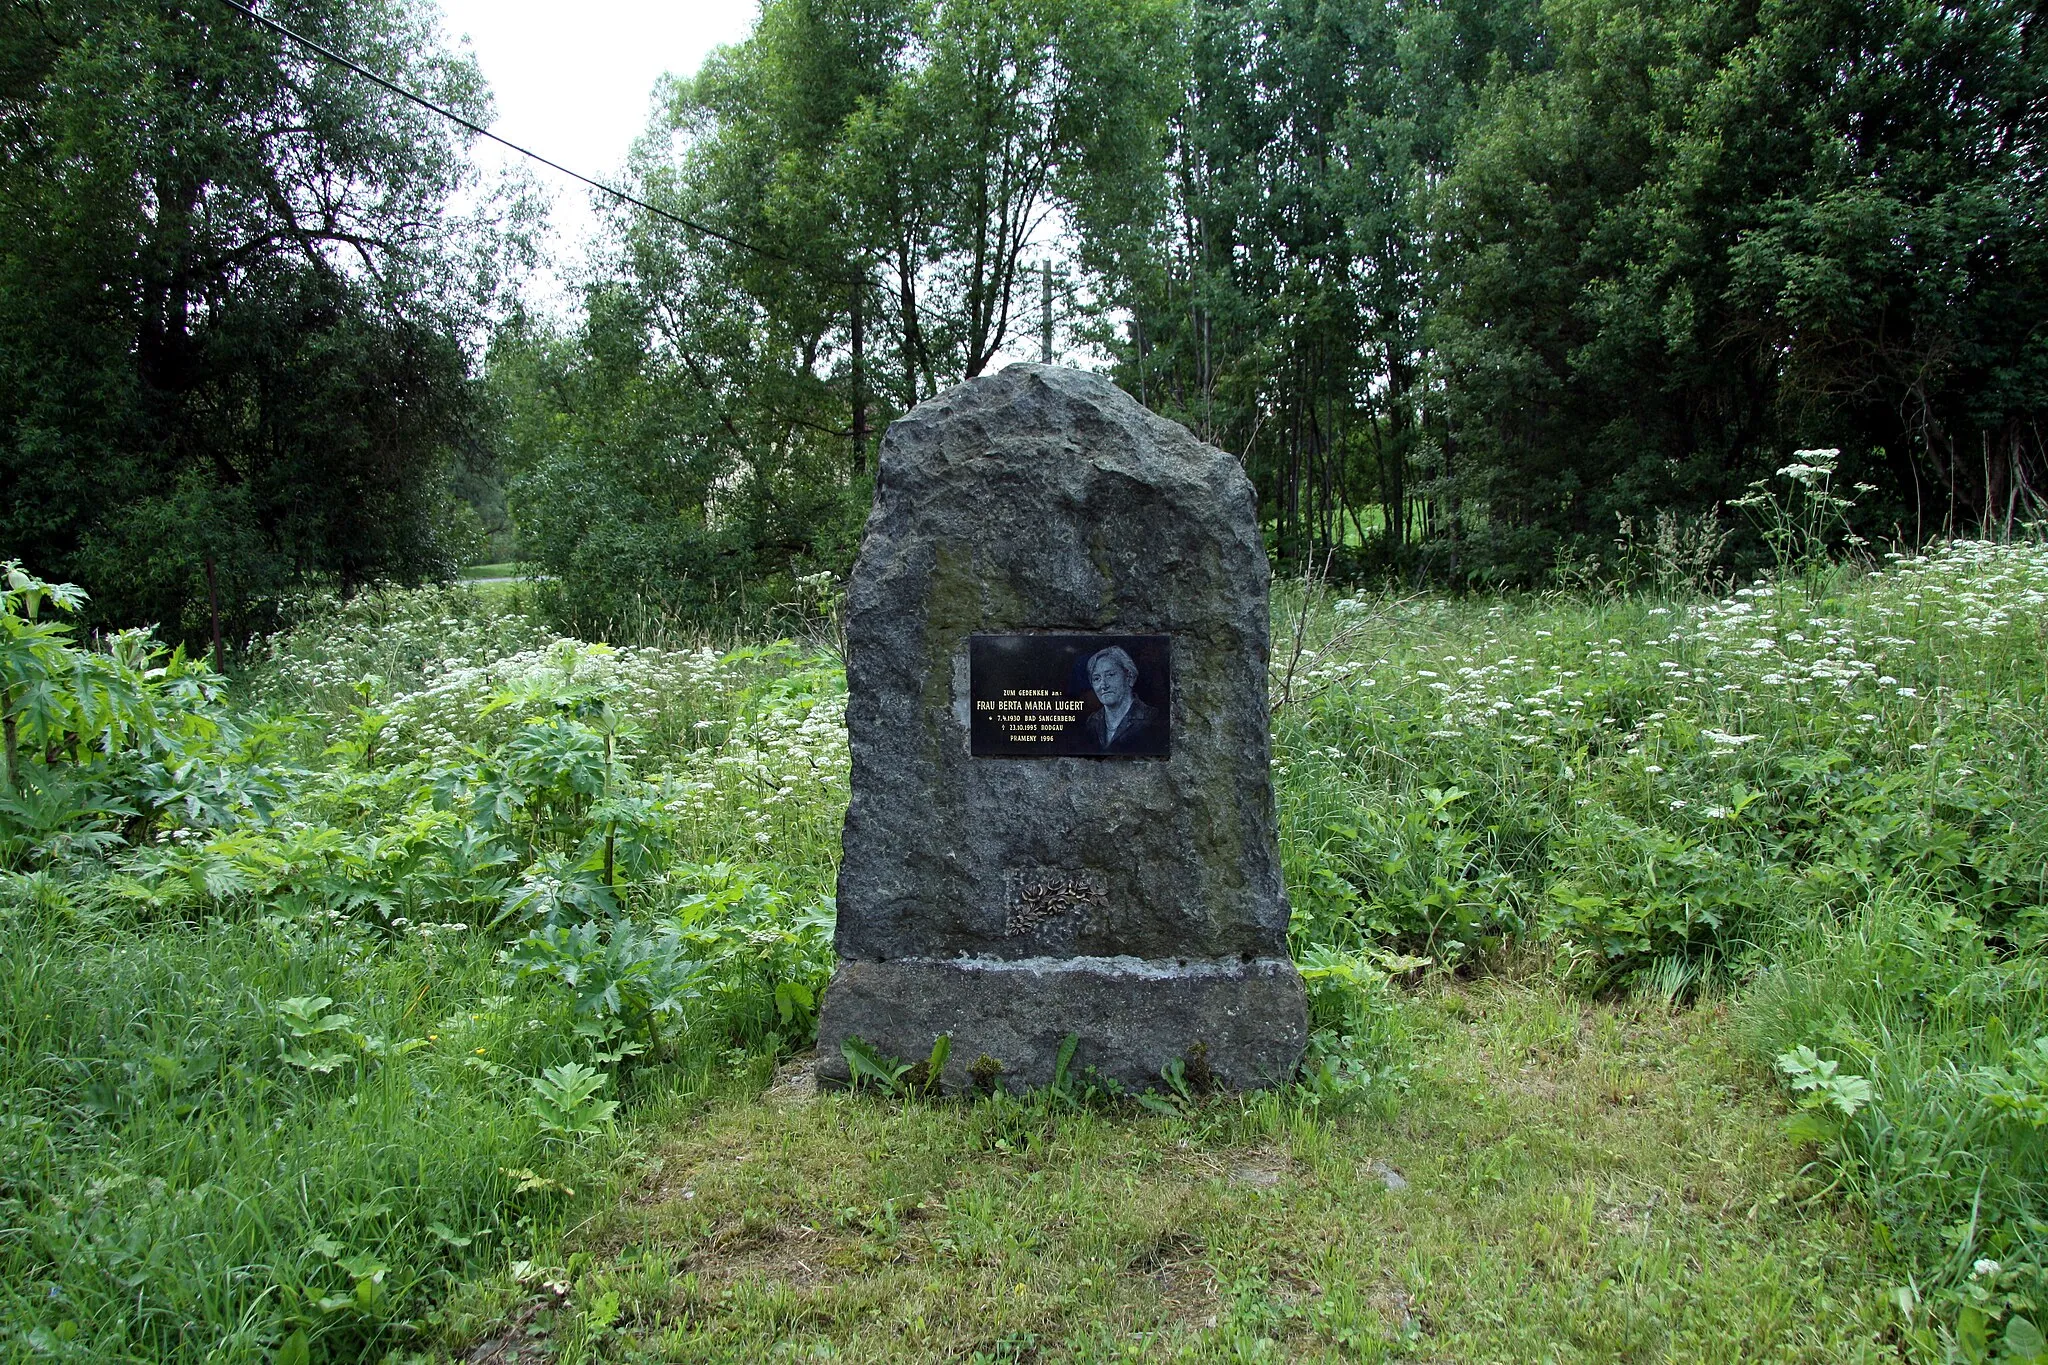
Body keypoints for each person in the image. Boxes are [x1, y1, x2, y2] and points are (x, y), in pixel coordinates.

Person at [1078, 645, 1163, 754]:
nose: (1103, 685)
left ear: (1130, 677)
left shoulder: (1151, 718)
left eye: (1110, 675)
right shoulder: (1092, 722)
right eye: (1096, 678)